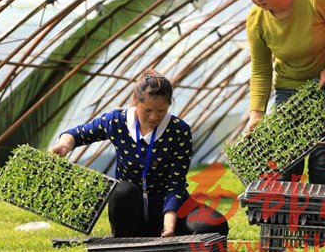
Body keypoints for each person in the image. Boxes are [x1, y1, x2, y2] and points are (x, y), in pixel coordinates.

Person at [50, 70, 229, 238]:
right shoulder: (116, 121)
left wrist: (168, 227)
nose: (154, 117)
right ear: (136, 102)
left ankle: (165, 234)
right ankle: (126, 240)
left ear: (169, 105)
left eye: (161, 111)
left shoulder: (179, 131)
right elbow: (76, 134)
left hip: (166, 209)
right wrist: (64, 146)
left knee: (214, 225)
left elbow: (175, 184)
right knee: (122, 190)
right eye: (148, 110)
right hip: (130, 210)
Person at [242, 0, 325, 184]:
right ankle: (289, 209)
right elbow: (260, 69)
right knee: (286, 165)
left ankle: (319, 208)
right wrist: (256, 113)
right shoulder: (256, 20)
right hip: (288, 90)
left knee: (322, 164)